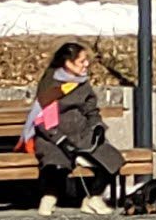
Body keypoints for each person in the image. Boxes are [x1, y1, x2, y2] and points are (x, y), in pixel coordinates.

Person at [23, 39, 122, 210]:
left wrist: (97, 127)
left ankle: (93, 197)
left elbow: (91, 111)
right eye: (81, 61)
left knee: (112, 158)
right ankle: (49, 198)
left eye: (86, 61)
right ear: (68, 63)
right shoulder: (51, 85)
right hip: (52, 137)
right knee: (57, 164)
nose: (86, 65)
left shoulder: (83, 84)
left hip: (82, 135)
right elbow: (43, 120)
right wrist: (61, 140)